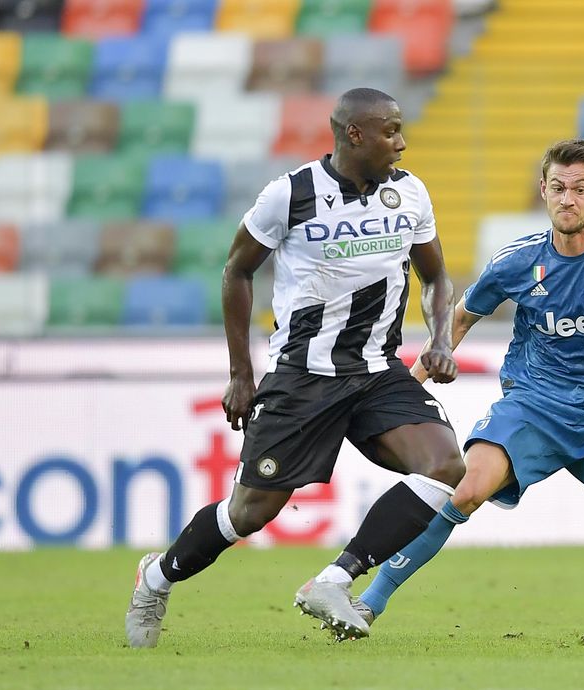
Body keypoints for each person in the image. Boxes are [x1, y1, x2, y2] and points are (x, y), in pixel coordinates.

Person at [125, 88, 465, 648]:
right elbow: (237, 273)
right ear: (355, 134)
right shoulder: (288, 195)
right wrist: (241, 373)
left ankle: (333, 581)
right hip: (303, 376)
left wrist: (440, 339)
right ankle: (156, 577)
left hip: (378, 372)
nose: (402, 143)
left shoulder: (410, 193)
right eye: (391, 131)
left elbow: (435, 277)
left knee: (445, 467)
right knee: (249, 514)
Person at [348, 138, 584, 647]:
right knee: (463, 489)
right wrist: (413, 378)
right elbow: (461, 315)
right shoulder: (519, 261)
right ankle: (368, 603)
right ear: (543, 191)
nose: (567, 199)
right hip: (533, 405)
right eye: (557, 188)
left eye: (579, 189)